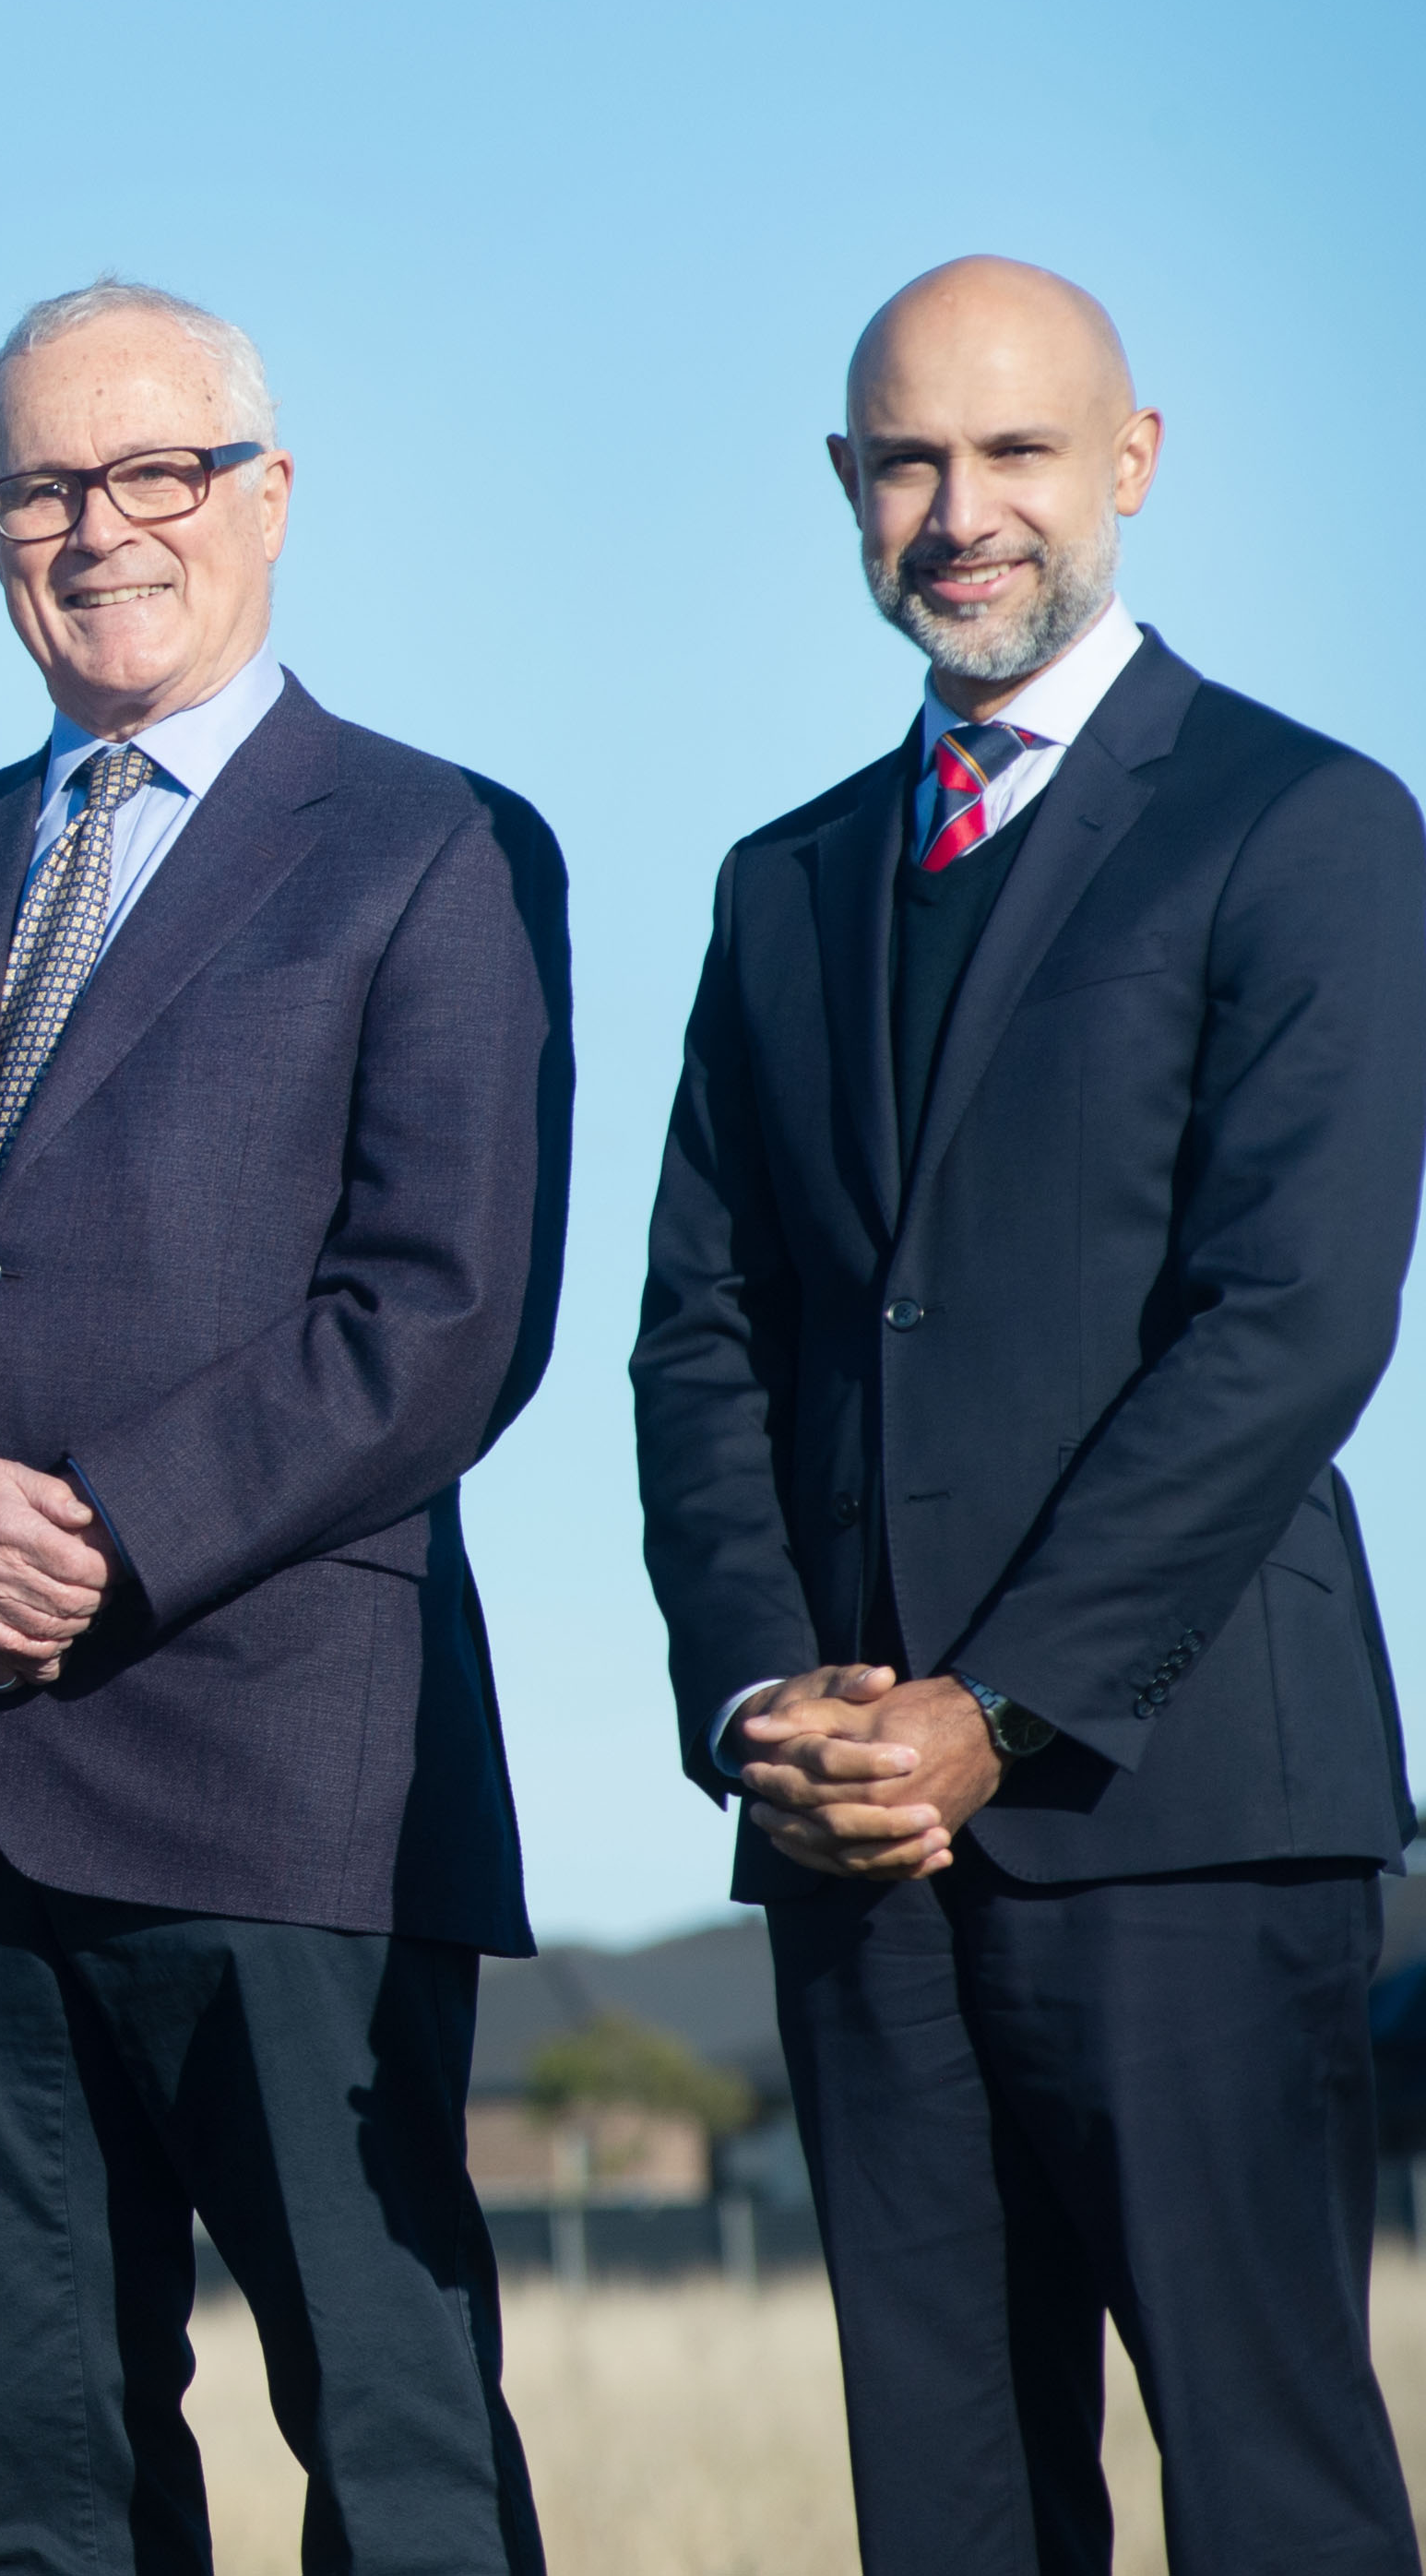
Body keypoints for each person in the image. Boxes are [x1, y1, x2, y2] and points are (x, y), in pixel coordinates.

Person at [0, 280, 572, 2572]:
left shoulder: (432, 844)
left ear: (266, 496)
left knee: (394, 2459)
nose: (96, 527)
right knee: (19, 2499)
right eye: (36, 488)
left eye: (151, 471)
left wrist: (83, 1533)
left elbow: (437, 1314)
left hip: (286, 1790)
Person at [634, 256, 1426, 2576]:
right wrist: (765, 1699)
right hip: (849, 1827)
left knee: (1267, 2487)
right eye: (903, 459)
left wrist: (1002, 1702)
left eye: (1010, 454)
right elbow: (700, 1330)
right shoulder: (777, 886)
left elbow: (1284, 1324)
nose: (954, 509)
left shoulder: (1302, 827)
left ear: (1129, 464)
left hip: (1175, 1807)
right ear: (841, 488)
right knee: (948, 2511)